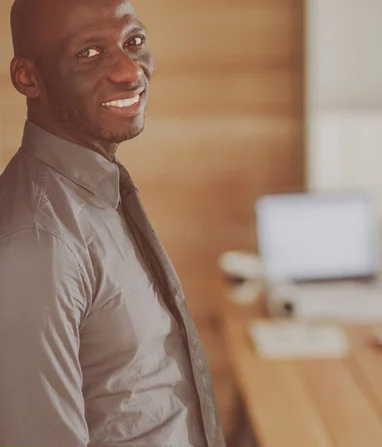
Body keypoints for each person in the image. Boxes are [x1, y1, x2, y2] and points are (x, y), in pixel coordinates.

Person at [0, 0, 225, 446]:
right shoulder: (37, 241)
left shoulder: (97, 188)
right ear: (28, 78)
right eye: (89, 53)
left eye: (133, 42)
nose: (130, 72)